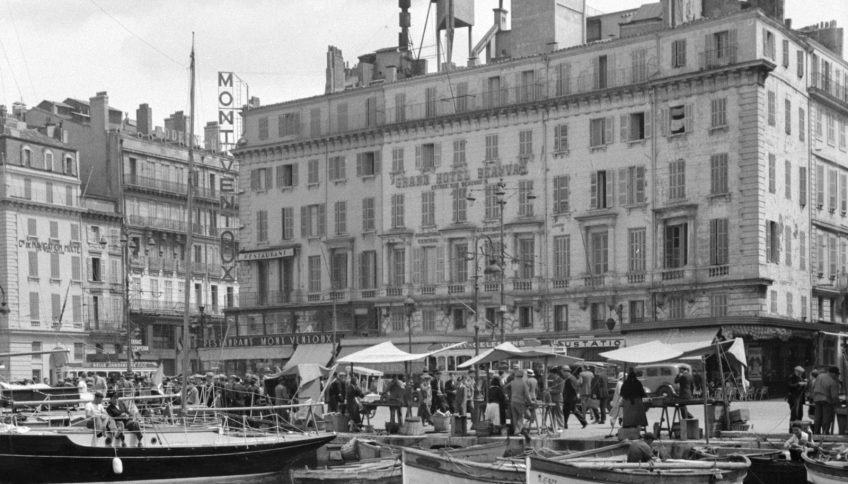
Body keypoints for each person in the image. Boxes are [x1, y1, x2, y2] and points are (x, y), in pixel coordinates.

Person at [811, 366, 840, 435]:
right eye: (836, 375)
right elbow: (834, 396)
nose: (837, 376)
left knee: (818, 417)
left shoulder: (819, 376)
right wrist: (838, 404)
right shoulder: (832, 382)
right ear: (833, 373)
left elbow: (813, 386)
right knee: (826, 418)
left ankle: (816, 433)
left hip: (817, 399)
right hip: (826, 401)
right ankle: (825, 433)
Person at [508, 367, 531, 440]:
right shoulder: (524, 383)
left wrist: (509, 394)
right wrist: (530, 401)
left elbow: (505, 387)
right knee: (521, 417)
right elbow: (527, 394)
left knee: (515, 417)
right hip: (520, 402)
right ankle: (517, 432)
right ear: (522, 376)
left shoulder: (512, 382)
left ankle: (516, 431)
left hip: (512, 401)